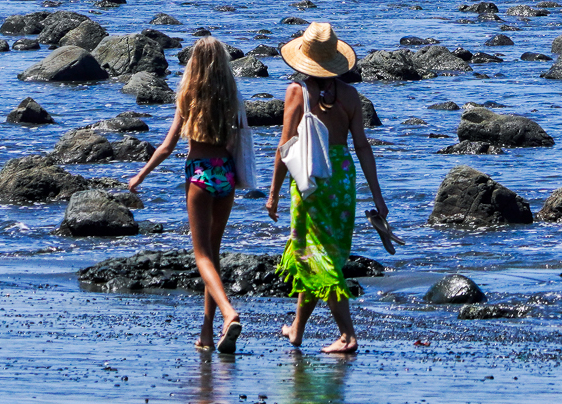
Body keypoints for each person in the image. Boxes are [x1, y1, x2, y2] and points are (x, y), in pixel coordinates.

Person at [268, 22, 389, 354]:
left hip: (311, 177)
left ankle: (348, 335)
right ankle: (297, 328)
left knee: (317, 257)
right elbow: (362, 146)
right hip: (342, 178)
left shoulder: (297, 92)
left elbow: (285, 146)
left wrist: (274, 192)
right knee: (321, 253)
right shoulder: (350, 95)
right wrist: (377, 194)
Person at [129, 36, 249, 353]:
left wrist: (141, 174)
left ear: (194, 63)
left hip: (199, 173)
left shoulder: (189, 95)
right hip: (226, 174)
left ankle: (228, 312)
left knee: (202, 256)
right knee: (214, 253)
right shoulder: (231, 97)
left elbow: (168, 146)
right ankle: (207, 333)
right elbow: (235, 142)